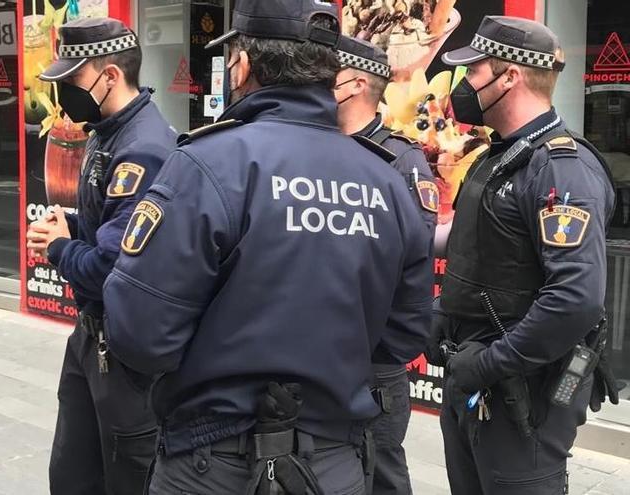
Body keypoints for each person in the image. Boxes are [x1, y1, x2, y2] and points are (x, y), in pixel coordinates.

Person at [102, 1, 433, 493]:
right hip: (334, 464)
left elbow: (140, 332)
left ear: (242, 64)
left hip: (214, 464)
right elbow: (403, 336)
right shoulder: (384, 178)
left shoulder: (207, 163)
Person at [428, 16, 619, 495]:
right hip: (474, 380)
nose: (464, 84)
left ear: (509, 76)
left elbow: (575, 300)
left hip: (522, 397)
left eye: (474, 71)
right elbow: (481, 249)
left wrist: (490, 363)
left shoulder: (559, 169)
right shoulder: (499, 157)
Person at [27, 17, 176, 495]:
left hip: (126, 355)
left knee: (123, 477)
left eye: (73, 80)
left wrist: (57, 248)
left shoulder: (144, 150)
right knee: (71, 475)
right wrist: (71, 227)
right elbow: (108, 225)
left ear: (110, 76)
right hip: (91, 338)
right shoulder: (105, 132)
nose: (65, 92)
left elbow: (113, 270)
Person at [334, 36, 437, 495]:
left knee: (381, 474)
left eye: (326, 75)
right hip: (321, 353)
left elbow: (406, 262)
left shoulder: (401, 159)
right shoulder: (316, 150)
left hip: (372, 361)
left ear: (354, 84)